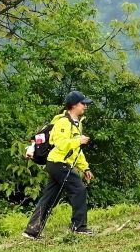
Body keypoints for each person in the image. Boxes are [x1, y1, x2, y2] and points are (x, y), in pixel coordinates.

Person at [23, 91, 94, 239]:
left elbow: (76, 151)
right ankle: (79, 227)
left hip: (60, 163)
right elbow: (60, 143)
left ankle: (31, 231)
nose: (85, 106)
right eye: (83, 103)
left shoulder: (76, 124)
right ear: (74, 105)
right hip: (57, 163)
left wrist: (85, 167)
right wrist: (78, 140)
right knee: (79, 189)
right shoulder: (63, 122)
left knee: (49, 198)